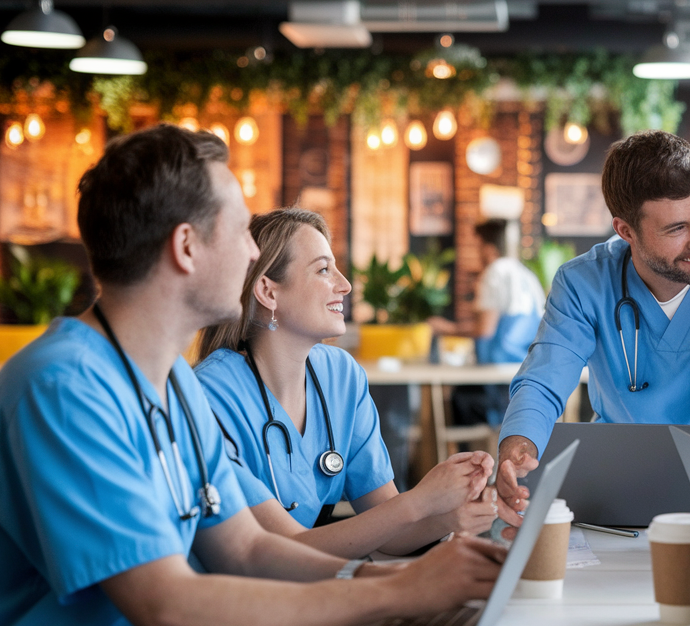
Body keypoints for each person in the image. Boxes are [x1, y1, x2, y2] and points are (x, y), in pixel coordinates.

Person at [0, 125, 505, 626]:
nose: (252, 253)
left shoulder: (173, 386)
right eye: (242, 230)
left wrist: (419, 588)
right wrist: (398, 592)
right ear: (186, 247)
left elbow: (247, 551)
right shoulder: (65, 390)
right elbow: (169, 610)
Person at [494, 130, 690, 525]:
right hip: (624, 497)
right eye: (677, 228)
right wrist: (518, 447)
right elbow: (544, 381)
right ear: (626, 231)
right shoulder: (583, 283)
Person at [195, 207, 497, 560]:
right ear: (268, 292)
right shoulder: (211, 396)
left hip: (307, 587)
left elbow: (386, 531)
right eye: (323, 269)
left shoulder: (341, 376)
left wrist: (452, 514)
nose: (345, 284)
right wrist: (420, 500)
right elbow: (284, 551)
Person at [429, 218, 546, 425]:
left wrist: (445, 328)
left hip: (494, 379)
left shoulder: (494, 273)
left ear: (488, 247)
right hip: (523, 377)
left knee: (453, 403)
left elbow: (484, 330)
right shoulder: (527, 275)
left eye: (477, 246)